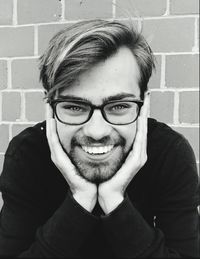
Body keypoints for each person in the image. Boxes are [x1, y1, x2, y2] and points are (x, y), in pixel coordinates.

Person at [0, 19, 199, 258]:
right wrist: (80, 200)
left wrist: (114, 201)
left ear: (144, 105)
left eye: (119, 106)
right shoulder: (27, 155)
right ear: (49, 106)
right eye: (74, 107)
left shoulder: (169, 153)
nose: (97, 131)